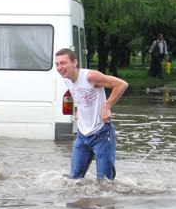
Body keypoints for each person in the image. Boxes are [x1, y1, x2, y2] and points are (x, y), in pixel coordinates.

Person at [54, 48, 128, 180]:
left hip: (101, 134)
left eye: (63, 63)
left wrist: (107, 106)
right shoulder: (67, 79)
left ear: (74, 62)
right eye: (57, 64)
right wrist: (78, 110)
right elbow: (78, 93)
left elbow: (122, 85)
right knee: (74, 180)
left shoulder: (90, 77)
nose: (60, 67)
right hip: (82, 135)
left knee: (105, 182)